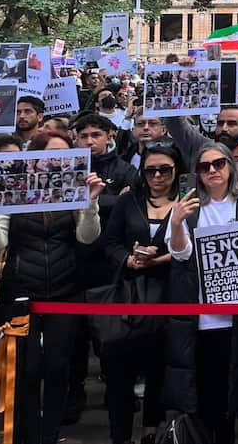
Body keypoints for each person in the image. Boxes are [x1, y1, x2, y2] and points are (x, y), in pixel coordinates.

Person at [0, 125, 105, 444]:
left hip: (64, 290)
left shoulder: (75, 192)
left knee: (57, 366)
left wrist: (90, 203)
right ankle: (24, 434)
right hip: (21, 291)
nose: (58, 162)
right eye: (51, 155)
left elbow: (87, 237)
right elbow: (0, 243)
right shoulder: (16, 189)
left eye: (65, 155)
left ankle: (50, 434)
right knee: (25, 368)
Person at [166, 142, 238, 444]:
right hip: (200, 314)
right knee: (203, 390)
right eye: (204, 166)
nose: (212, 170)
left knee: (230, 391)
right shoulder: (189, 205)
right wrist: (176, 222)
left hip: (235, 314)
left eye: (219, 163)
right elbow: (181, 254)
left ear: (230, 167)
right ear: (197, 173)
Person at [102, 139, 182, 444]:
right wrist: (129, 259)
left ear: (176, 170)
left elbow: (193, 246)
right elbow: (110, 243)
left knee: (158, 366)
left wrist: (160, 259)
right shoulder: (128, 201)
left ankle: (152, 430)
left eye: (165, 170)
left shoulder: (187, 202)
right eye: (150, 171)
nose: (158, 176)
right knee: (120, 370)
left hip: (171, 294)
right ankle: (120, 435)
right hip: (129, 295)